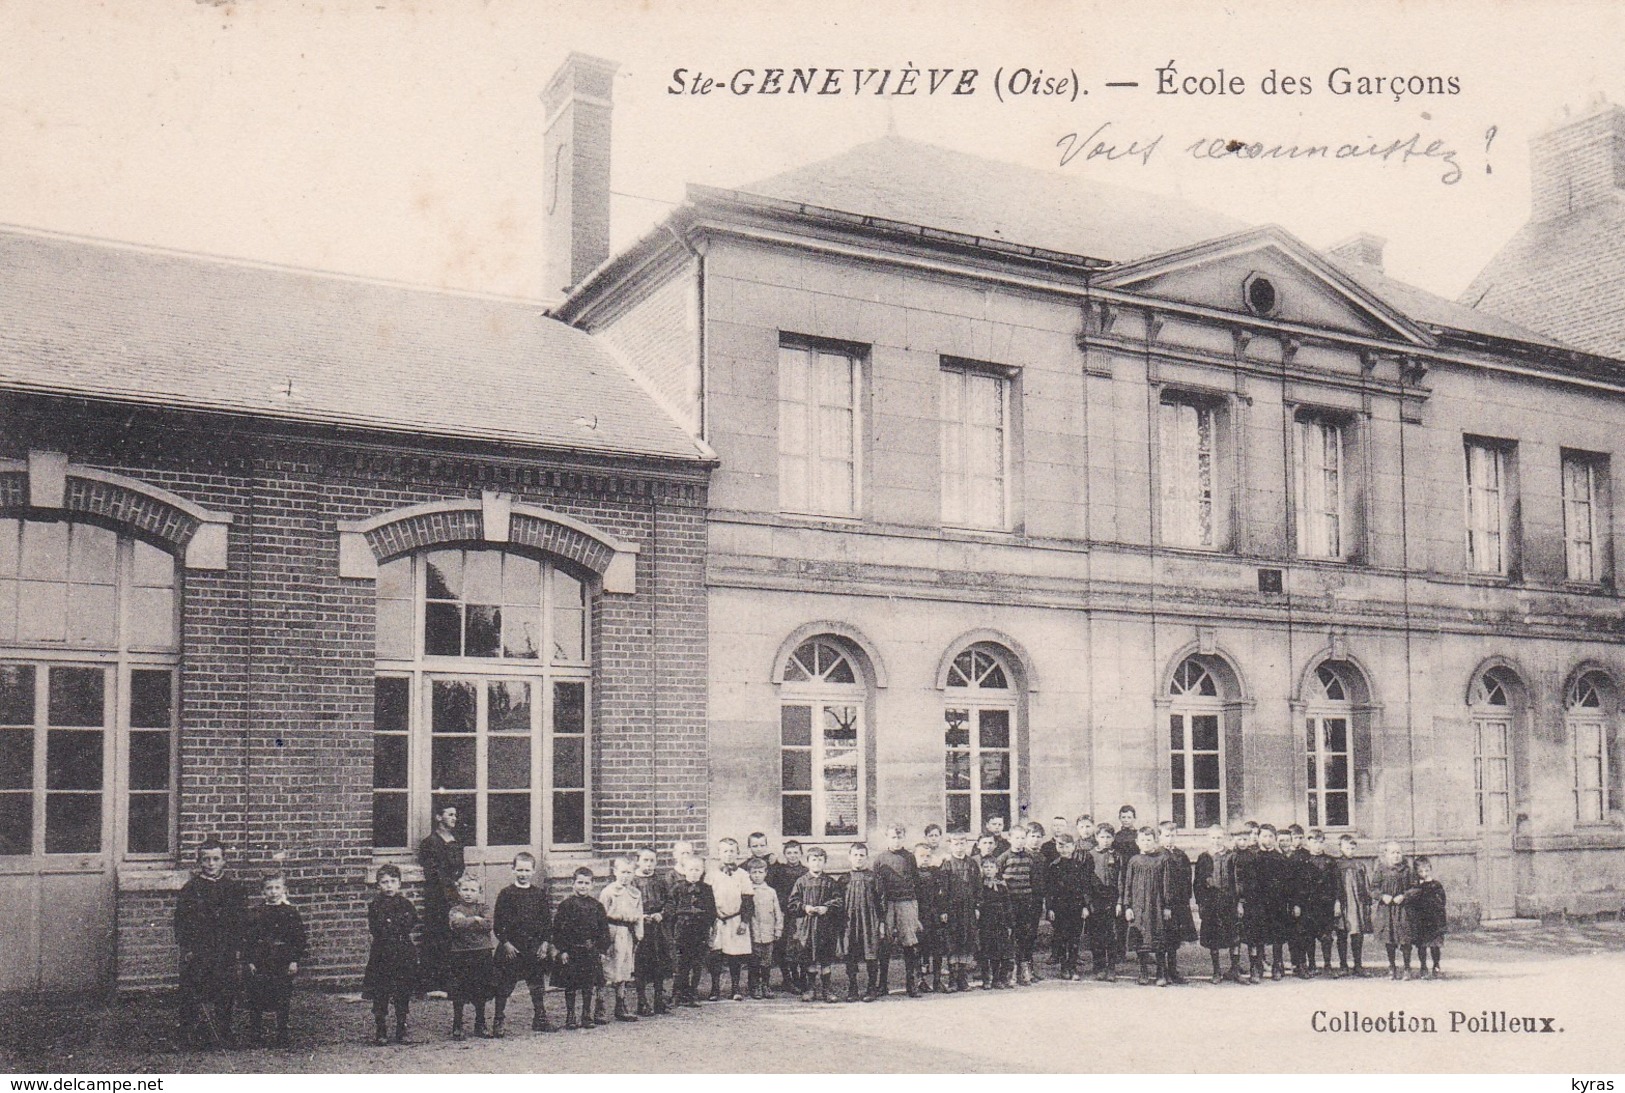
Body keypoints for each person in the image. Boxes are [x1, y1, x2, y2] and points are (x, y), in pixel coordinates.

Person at [174, 838, 245, 1047]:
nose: (211, 864)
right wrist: (186, 946)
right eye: (206, 860)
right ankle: (190, 1033)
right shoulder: (191, 889)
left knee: (225, 989)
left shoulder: (234, 889)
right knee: (193, 990)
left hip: (224, 948)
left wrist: (238, 946)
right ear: (199, 862)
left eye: (216, 859)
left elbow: (241, 920)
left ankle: (224, 1031)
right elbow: (181, 920)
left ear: (224, 861)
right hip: (199, 948)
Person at [240, 871, 306, 1047]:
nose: (273, 892)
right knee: (256, 998)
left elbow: (298, 939)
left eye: (277, 887)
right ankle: (256, 1034)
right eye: (269, 888)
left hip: (282, 961)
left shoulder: (290, 913)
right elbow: (249, 939)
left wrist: (294, 960)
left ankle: (282, 1033)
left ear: (285, 890)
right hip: (262, 960)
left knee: (282, 998)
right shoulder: (256, 913)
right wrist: (250, 961)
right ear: (263, 891)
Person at [492, 851, 553, 1037]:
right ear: (513, 870)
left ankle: (540, 1017)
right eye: (519, 870)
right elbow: (498, 923)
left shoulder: (539, 894)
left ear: (533, 871)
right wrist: (505, 943)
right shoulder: (506, 894)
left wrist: (544, 943)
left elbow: (546, 922)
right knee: (505, 986)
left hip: (533, 947)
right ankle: (498, 1020)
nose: (523, 873)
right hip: (512, 948)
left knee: (536, 985)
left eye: (527, 870)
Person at [363, 863, 418, 1045]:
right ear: (378, 885)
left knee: (402, 992)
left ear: (399, 884)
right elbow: (376, 928)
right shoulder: (375, 906)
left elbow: (409, 924)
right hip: (382, 953)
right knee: (381, 992)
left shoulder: (406, 905)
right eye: (384, 882)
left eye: (392, 881)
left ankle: (401, 1028)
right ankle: (381, 1030)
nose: (389, 886)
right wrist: (390, 927)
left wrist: (392, 926)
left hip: (402, 952)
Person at [554, 866, 611, 1029]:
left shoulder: (597, 906)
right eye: (580, 882)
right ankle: (570, 1015)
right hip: (572, 951)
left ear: (592, 885)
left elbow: (603, 930)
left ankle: (586, 1014)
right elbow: (558, 929)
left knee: (588, 984)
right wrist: (562, 950)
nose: (583, 886)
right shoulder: (566, 905)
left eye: (587, 883)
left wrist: (601, 950)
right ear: (573, 884)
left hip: (590, 950)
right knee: (571, 985)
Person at [417, 804, 465, 997]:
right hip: (437, 896)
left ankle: (451, 981)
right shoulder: (430, 842)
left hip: (453, 895)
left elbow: (460, 867)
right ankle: (434, 982)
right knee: (437, 936)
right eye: (450, 814)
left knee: (453, 936)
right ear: (439, 817)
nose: (454, 818)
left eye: (455, 814)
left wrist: (456, 886)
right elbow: (433, 871)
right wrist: (449, 885)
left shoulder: (456, 841)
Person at [871, 823, 924, 997]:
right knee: (885, 943)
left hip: (906, 903)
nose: (896, 840)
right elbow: (876, 887)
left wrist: (915, 908)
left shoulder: (909, 857)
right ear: (887, 838)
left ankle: (911, 985)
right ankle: (882, 984)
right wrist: (881, 911)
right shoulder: (880, 859)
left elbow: (916, 882)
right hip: (888, 904)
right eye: (893, 837)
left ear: (904, 838)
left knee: (909, 943)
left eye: (899, 837)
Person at [787, 846, 843, 1003]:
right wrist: (805, 907)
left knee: (825, 960)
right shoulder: (801, 882)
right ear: (808, 862)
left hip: (826, 927)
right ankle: (810, 989)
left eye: (820, 860)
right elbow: (792, 903)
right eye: (813, 860)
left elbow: (839, 901)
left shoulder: (830, 882)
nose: (817, 863)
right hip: (808, 926)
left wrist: (827, 907)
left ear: (825, 862)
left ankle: (827, 990)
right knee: (809, 959)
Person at [446, 874, 496, 1040]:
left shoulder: (484, 908)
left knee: (480, 989)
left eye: (473, 890)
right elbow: (456, 924)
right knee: (460, 989)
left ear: (479, 892)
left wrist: (471, 919)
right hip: (461, 953)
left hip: (481, 952)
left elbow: (488, 924)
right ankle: (458, 1024)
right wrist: (475, 921)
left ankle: (480, 1023)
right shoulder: (455, 910)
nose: (468, 893)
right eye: (465, 889)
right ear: (459, 891)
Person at [997, 822, 1047, 984]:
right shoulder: (1003, 858)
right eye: (1016, 838)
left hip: (1026, 902)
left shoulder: (1030, 858)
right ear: (1010, 838)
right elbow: (997, 879)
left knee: (1025, 936)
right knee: (1011, 936)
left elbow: (1034, 881)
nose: (1020, 841)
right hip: (1010, 903)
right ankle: (1011, 971)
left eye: (1022, 838)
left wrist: (1032, 900)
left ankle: (1024, 970)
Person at [706, 837, 754, 1001]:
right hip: (718, 921)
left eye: (732, 851)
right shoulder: (711, 875)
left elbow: (748, 900)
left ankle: (735, 988)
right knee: (716, 955)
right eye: (725, 851)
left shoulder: (743, 875)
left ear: (738, 853)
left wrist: (744, 921)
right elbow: (707, 899)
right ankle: (715, 989)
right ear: (719, 853)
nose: (728, 854)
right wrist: (712, 918)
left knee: (735, 955)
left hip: (735, 920)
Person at [1193, 826, 1244, 984]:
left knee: (1234, 936)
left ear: (1225, 838)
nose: (1216, 841)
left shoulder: (1232, 857)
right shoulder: (1204, 857)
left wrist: (1240, 903)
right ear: (1209, 838)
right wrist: (1201, 903)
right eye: (1213, 838)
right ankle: (1216, 971)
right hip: (1211, 904)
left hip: (1229, 903)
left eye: (1219, 837)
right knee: (1214, 937)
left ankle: (1235, 969)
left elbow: (1238, 881)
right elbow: (1198, 883)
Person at [599, 855, 645, 1022]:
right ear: (615, 872)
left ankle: (621, 1004)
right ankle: (600, 1006)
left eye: (629, 872)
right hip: (612, 931)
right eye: (622, 872)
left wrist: (639, 935)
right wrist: (603, 941)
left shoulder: (635, 893)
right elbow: (601, 916)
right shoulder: (608, 892)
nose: (626, 876)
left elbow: (639, 915)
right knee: (608, 970)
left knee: (624, 969)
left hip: (627, 933)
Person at [668, 855, 716, 1007]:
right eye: (691, 869)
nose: (694, 873)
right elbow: (670, 910)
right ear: (684, 870)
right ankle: (677, 993)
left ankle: (692, 992)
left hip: (700, 931)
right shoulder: (678, 888)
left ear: (702, 871)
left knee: (696, 963)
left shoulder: (707, 889)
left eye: (698, 869)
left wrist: (708, 929)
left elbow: (711, 911)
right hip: (682, 931)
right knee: (681, 963)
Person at [1123, 827, 1168, 985]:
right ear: (1137, 842)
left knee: (1159, 938)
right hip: (1138, 906)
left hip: (1156, 905)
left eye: (1149, 840)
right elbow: (1127, 884)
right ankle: (1143, 972)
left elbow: (1166, 885)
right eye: (1142, 840)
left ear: (1155, 841)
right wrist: (1127, 906)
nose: (1146, 843)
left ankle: (1161, 973)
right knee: (1140, 938)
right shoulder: (1134, 860)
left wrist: (1167, 906)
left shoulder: (1162, 859)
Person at [631, 847, 673, 1015]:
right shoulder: (632, 881)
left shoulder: (660, 881)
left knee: (659, 963)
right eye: (645, 860)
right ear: (638, 861)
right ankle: (642, 1001)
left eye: (652, 861)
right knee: (641, 964)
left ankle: (658, 999)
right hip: (639, 928)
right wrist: (640, 916)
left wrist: (661, 914)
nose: (648, 864)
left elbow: (670, 902)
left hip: (658, 928)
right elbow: (627, 904)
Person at [842, 841, 885, 1002]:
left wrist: (881, 923)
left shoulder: (873, 878)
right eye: (855, 855)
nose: (858, 858)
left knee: (871, 953)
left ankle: (871, 988)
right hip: (850, 922)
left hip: (869, 921)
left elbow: (882, 901)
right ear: (849, 857)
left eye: (862, 855)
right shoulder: (844, 879)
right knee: (850, 954)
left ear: (866, 857)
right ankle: (853, 988)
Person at [938, 832, 980, 992]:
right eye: (956, 844)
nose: (960, 847)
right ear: (951, 845)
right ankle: (952, 979)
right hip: (952, 909)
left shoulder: (972, 863)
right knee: (952, 943)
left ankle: (963, 978)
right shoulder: (947, 864)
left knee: (966, 941)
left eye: (963, 843)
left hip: (968, 908)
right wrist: (943, 909)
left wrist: (977, 906)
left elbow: (978, 886)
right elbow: (942, 889)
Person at [1156, 821, 1197, 984]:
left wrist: (1186, 899)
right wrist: (1164, 904)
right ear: (1159, 836)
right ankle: (1161, 971)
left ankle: (1173, 970)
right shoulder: (1156, 855)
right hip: (1162, 904)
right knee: (1162, 937)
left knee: (1174, 938)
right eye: (1166, 835)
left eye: (1173, 835)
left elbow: (1187, 879)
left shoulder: (1181, 855)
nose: (1170, 839)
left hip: (1179, 903)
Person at [1045, 831, 1089, 980]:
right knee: (1061, 937)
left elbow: (1084, 888)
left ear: (1073, 847)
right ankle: (1064, 967)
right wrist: (1050, 908)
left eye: (1067, 846)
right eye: (1060, 846)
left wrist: (1085, 906)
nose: (1064, 849)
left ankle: (1073, 967)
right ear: (1057, 847)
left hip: (1076, 907)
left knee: (1074, 938)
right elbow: (1049, 889)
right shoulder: (1053, 866)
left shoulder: (1079, 866)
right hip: (1060, 908)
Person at [765, 840, 806, 995]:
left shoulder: (805, 871)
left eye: (796, 852)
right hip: (784, 913)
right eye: (789, 853)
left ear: (801, 853)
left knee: (800, 946)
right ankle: (788, 979)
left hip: (800, 914)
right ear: (784, 854)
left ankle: (801, 979)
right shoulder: (779, 871)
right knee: (783, 947)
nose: (793, 856)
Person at [1371, 840, 1416, 980]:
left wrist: (1404, 896)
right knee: (1389, 939)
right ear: (1386, 854)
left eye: (1398, 852)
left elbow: (1415, 888)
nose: (1396, 855)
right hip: (1387, 910)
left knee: (1404, 938)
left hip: (1403, 909)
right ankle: (1392, 967)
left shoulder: (1407, 870)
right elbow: (1373, 888)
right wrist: (1381, 896)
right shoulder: (1381, 869)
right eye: (1393, 853)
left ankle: (1407, 968)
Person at [1083, 823, 1121, 980]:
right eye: (1102, 837)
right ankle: (1099, 966)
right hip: (1095, 901)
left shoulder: (1117, 856)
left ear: (1113, 838)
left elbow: (1120, 880)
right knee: (1096, 935)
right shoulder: (1090, 855)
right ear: (1096, 838)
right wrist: (1087, 903)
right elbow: (1085, 881)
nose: (1105, 840)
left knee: (1112, 935)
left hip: (1112, 900)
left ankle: (1111, 967)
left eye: (1108, 837)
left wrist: (1119, 902)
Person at [1334, 833, 1373, 976]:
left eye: (1352, 848)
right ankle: (1343, 965)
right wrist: (1336, 902)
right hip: (1343, 904)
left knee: (1357, 935)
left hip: (1357, 904)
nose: (1350, 851)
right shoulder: (1336, 865)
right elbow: (1333, 887)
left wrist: (1367, 901)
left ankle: (1358, 965)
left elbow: (1366, 885)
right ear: (1340, 848)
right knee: (1342, 934)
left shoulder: (1359, 865)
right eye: (1347, 848)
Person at [1302, 828, 1340, 977]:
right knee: (1309, 936)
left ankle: (1327, 965)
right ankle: (1311, 964)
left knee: (1326, 936)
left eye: (1320, 842)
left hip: (1326, 904)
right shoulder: (1304, 861)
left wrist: (1337, 902)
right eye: (1314, 842)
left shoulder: (1330, 861)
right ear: (1308, 843)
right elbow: (1299, 886)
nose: (1317, 846)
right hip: (1309, 905)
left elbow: (1336, 884)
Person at [975, 855, 1014, 989]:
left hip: (1000, 923)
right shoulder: (979, 886)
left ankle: (998, 978)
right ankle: (986, 978)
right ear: (981, 869)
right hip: (985, 923)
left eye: (992, 867)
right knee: (986, 950)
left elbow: (1007, 905)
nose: (988, 870)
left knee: (1000, 950)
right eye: (985, 867)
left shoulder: (1001, 886)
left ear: (997, 869)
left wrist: (1009, 924)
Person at [746, 857, 783, 999]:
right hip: (754, 932)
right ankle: (755, 986)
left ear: (766, 873)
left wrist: (778, 929)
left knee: (767, 961)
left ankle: (766, 985)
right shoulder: (748, 890)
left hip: (768, 932)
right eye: (754, 872)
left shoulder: (771, 891)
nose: (757, 875)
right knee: (754, 961)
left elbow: (777, 912)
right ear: (749, 873)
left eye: (760, 872)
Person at [1406, 857, 1448, 979]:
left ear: (1430, 870)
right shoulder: (1415, 887)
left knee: (1435, 945)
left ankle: (1436, 965)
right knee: (1421, 945)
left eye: (1426, 871)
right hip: (1421, 920)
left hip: (1434, 920)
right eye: (1420, 872)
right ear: (1416, 872)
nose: (1424, 874)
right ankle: (1423, 966)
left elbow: (1442, 901)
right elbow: (1411, 902)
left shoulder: (1436, 885)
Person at [913, 840, 946, 992]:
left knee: (937, 948)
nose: (925, 859)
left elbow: (942, 894)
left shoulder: (936, 872)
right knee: (919, 948)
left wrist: (942, 911)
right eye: (921, 856)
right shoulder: (912, 874)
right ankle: (920, 980)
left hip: (934, 914)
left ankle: (938, 980)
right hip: (919, 915)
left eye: (928, 856)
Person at [1111, 805, 1140, 967]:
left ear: (1134, 818)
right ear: (1119, 819)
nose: (1126, 820)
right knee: (1121, 918)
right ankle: (1120, 951)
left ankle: (1141, 950)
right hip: (1122, 875)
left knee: (1139, 915)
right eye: (1123, 817)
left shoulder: (1139, 836)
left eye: (1129, 817)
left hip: (1137, 875)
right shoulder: (1116, 838)